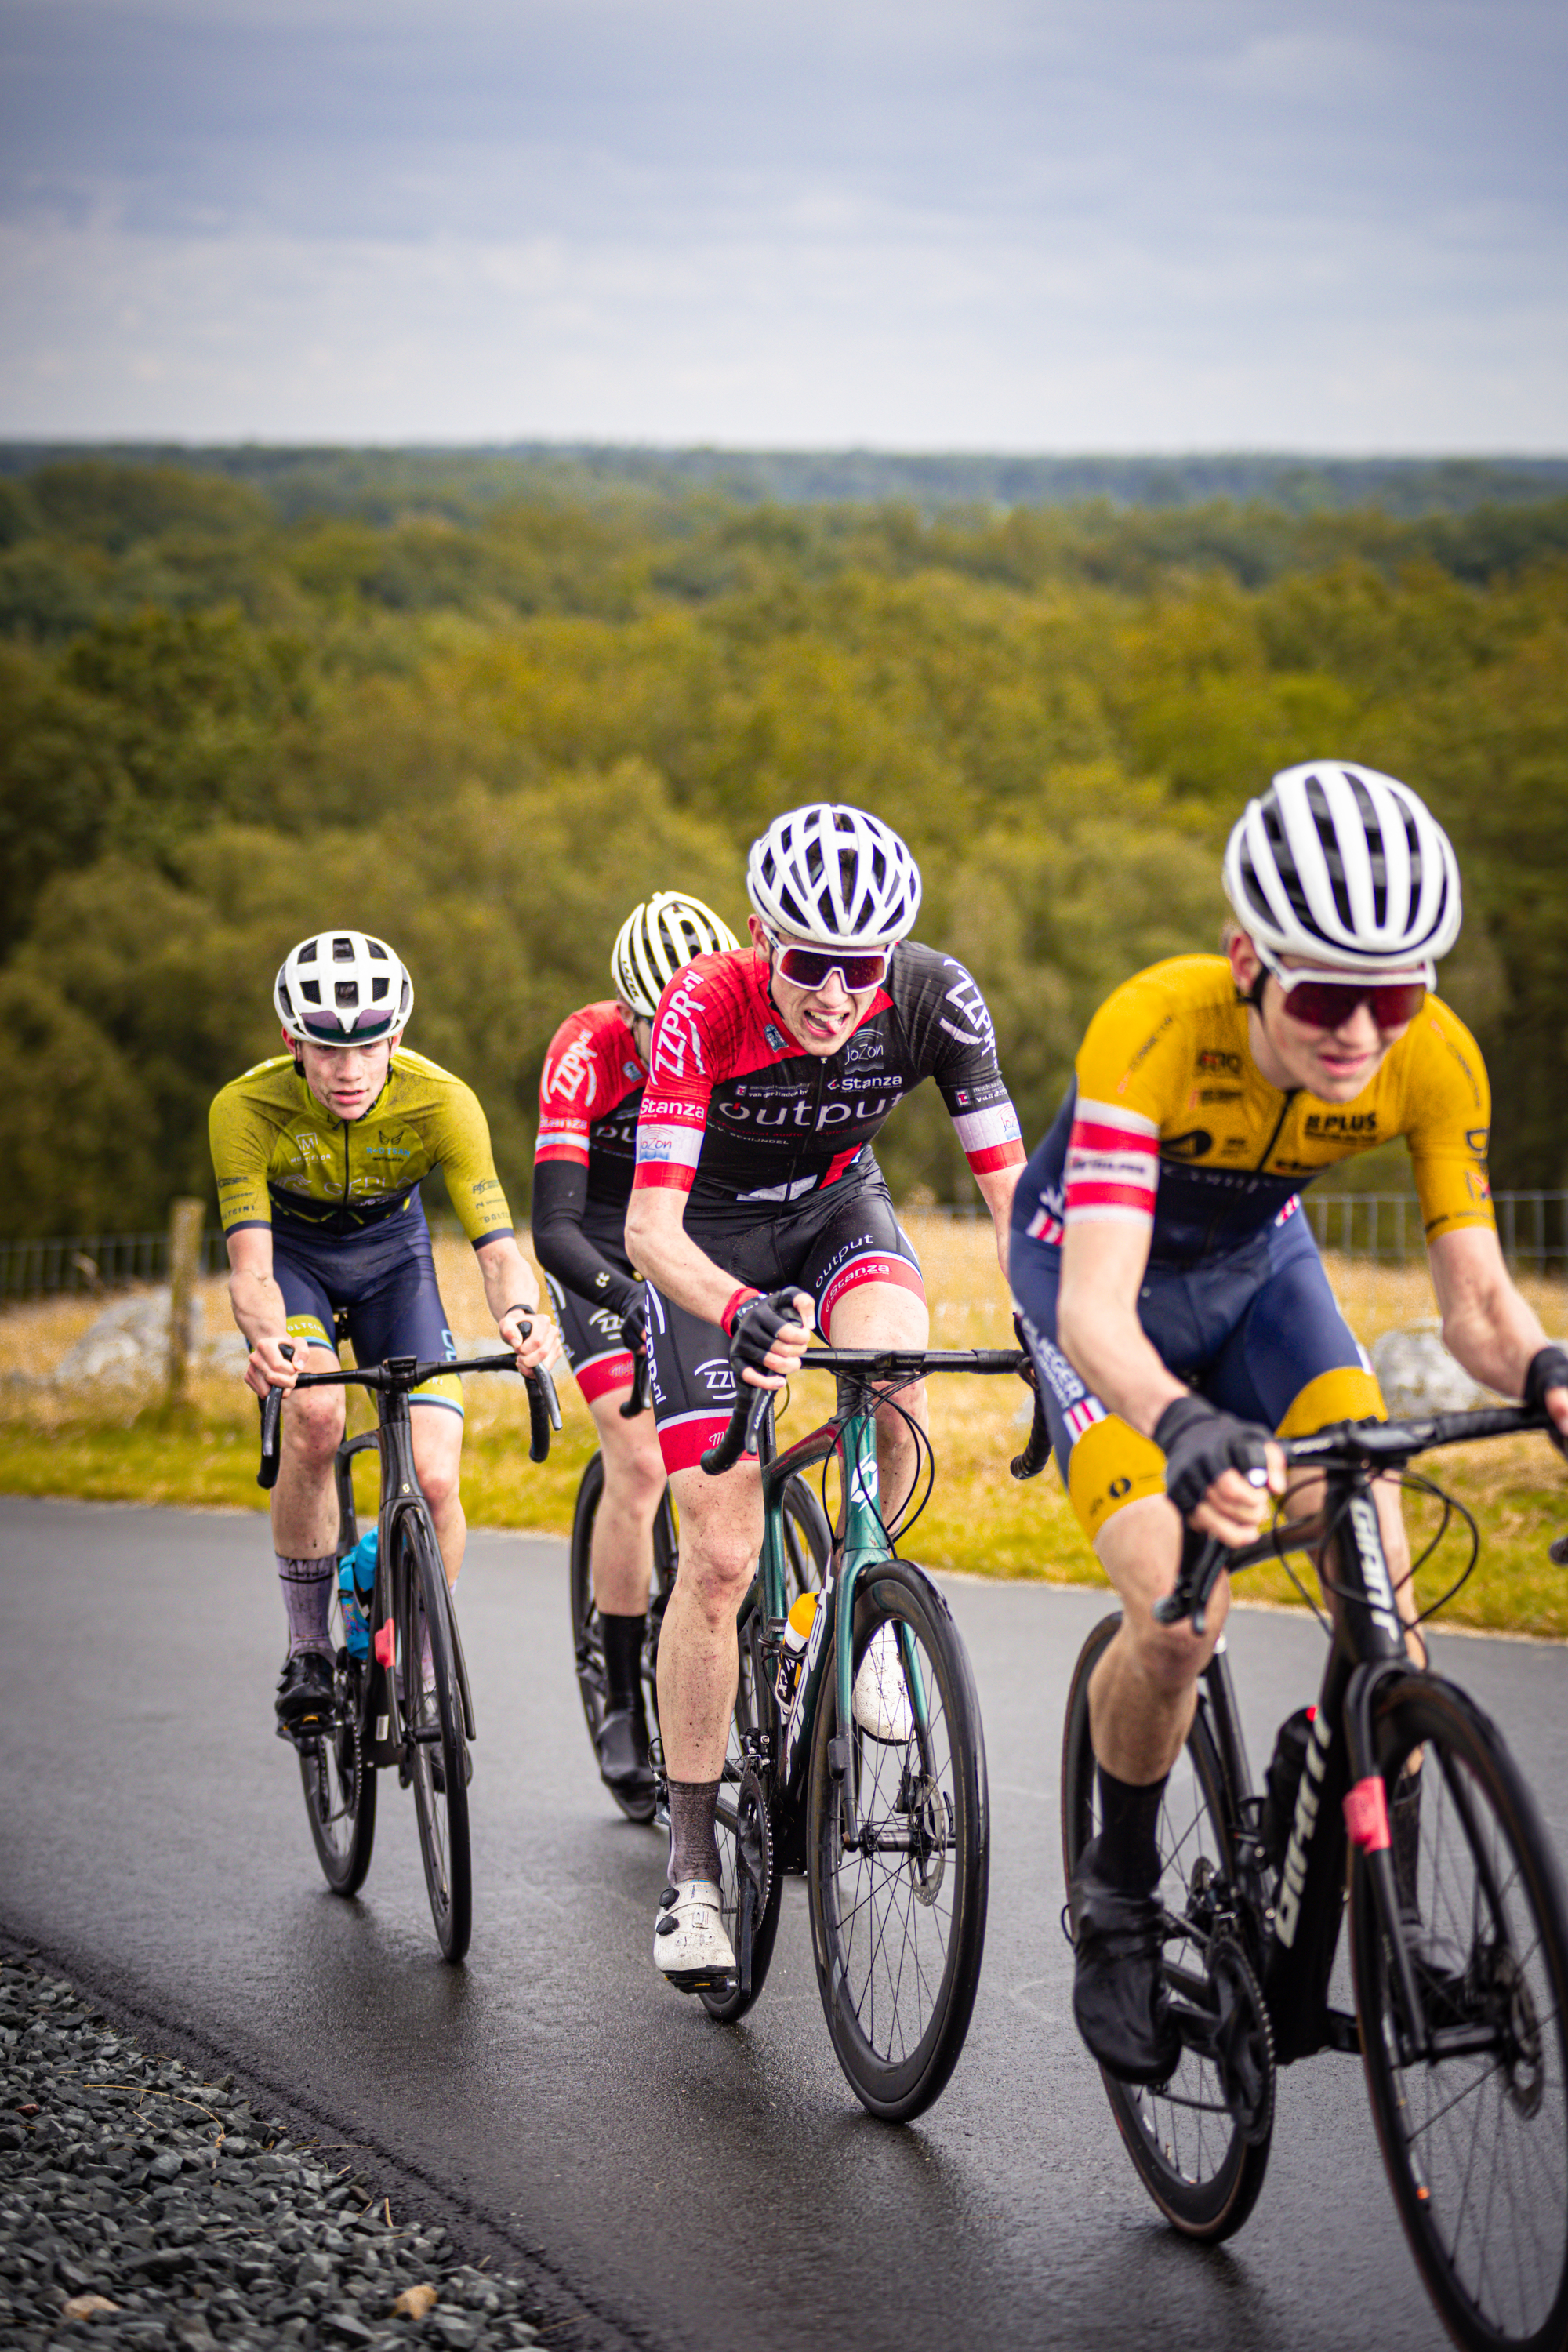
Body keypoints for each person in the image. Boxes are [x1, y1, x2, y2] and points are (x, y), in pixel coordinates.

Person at [1008, 761, 1568, 2085]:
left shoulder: (1430, 1059)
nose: (1362, 1034)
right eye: (1327, 995)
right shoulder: (1152, 1028)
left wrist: (1545, 1369)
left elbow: (1478, 1302)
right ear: (1245, 958)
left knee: (1377, 1558)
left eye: (1399, 994)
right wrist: (1183, 1426)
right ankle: (1119, 1902)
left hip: (1266, 1282)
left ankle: (1394, 1926)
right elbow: (1093, 1307)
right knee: (1176, 1616)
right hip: (1104, 1297)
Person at [623, 802, 1026, 1987]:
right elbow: (647, 1226)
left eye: (863, 968)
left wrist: (1052, 1326)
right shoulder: (706, 1004)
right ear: (762, 937)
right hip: (708, 1247)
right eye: (810, 964)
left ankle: (865, 1605)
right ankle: (693, 1874)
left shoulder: (935, 996)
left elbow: (1012, 1194)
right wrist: (737, 1307)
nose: (839, 994)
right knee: (723, 1551)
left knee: (897, 1369)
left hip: (840, 1207)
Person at [209, 930, 559, 1744]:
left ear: (396, 1037)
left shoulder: (443, 1100)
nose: (349, 1070)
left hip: (392, 1268)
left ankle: (424, 1663)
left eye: (368, 1045)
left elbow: (499, 1250)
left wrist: (520, 1317)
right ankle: (307, 1648)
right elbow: (250, 1267)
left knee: (435, 1477)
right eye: (327, 1049)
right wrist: (268, 1342)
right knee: (317, 1419)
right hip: (294, 1266)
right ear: (291, 1040)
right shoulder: (245, 1107)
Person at [531, 891, 740, 1818]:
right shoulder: (587, 1048)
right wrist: (627, 1300)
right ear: (626, 1011)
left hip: (695, 1238)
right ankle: (622, 1695)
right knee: (639, 1454)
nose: (671, 1040)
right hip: (605, 1255)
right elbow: (556, 1227)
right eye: (654, 1024)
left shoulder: (735, 1029)